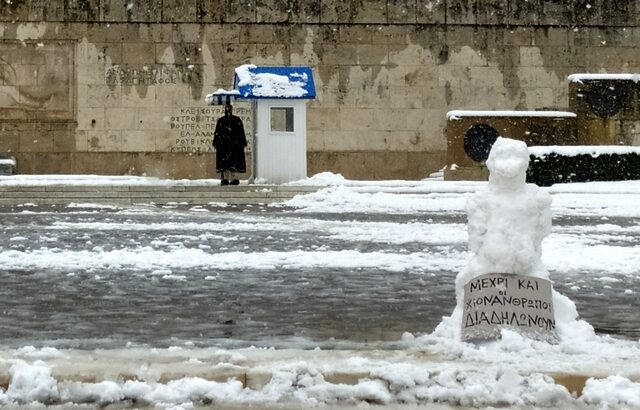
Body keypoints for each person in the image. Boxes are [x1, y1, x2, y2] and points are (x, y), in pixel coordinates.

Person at [213, 103, 247, 185]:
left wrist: (242, 142)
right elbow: (217, 133)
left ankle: (231, 179)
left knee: (232, 165)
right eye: (227, 109)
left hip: (232, 146)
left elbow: (241, 133)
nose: (228, 111)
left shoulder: (236, 120)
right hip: (225, 146)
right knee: (226, 165)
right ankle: (225, 179)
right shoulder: (222, 121)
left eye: (229, 109)